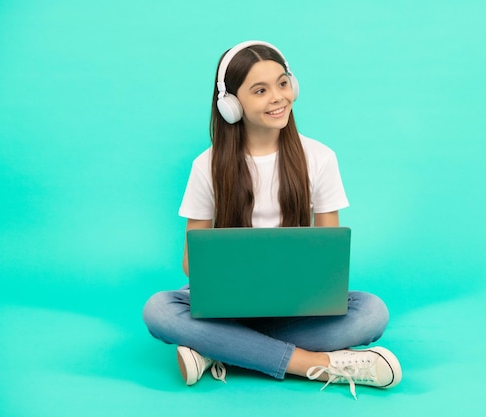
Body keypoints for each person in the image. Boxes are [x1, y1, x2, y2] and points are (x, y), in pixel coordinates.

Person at [142, 40, 402, 399]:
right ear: (231, 105)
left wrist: (313, 290)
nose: (278, 97)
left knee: (372, 312)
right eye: (260, 90)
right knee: (158, 309)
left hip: (295, 308)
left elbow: (329, 255)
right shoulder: (207, 165)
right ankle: (318, 364)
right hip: (227, 305)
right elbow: (192, 262)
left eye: (282, 83)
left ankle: (216, 349)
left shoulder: (320, 157)